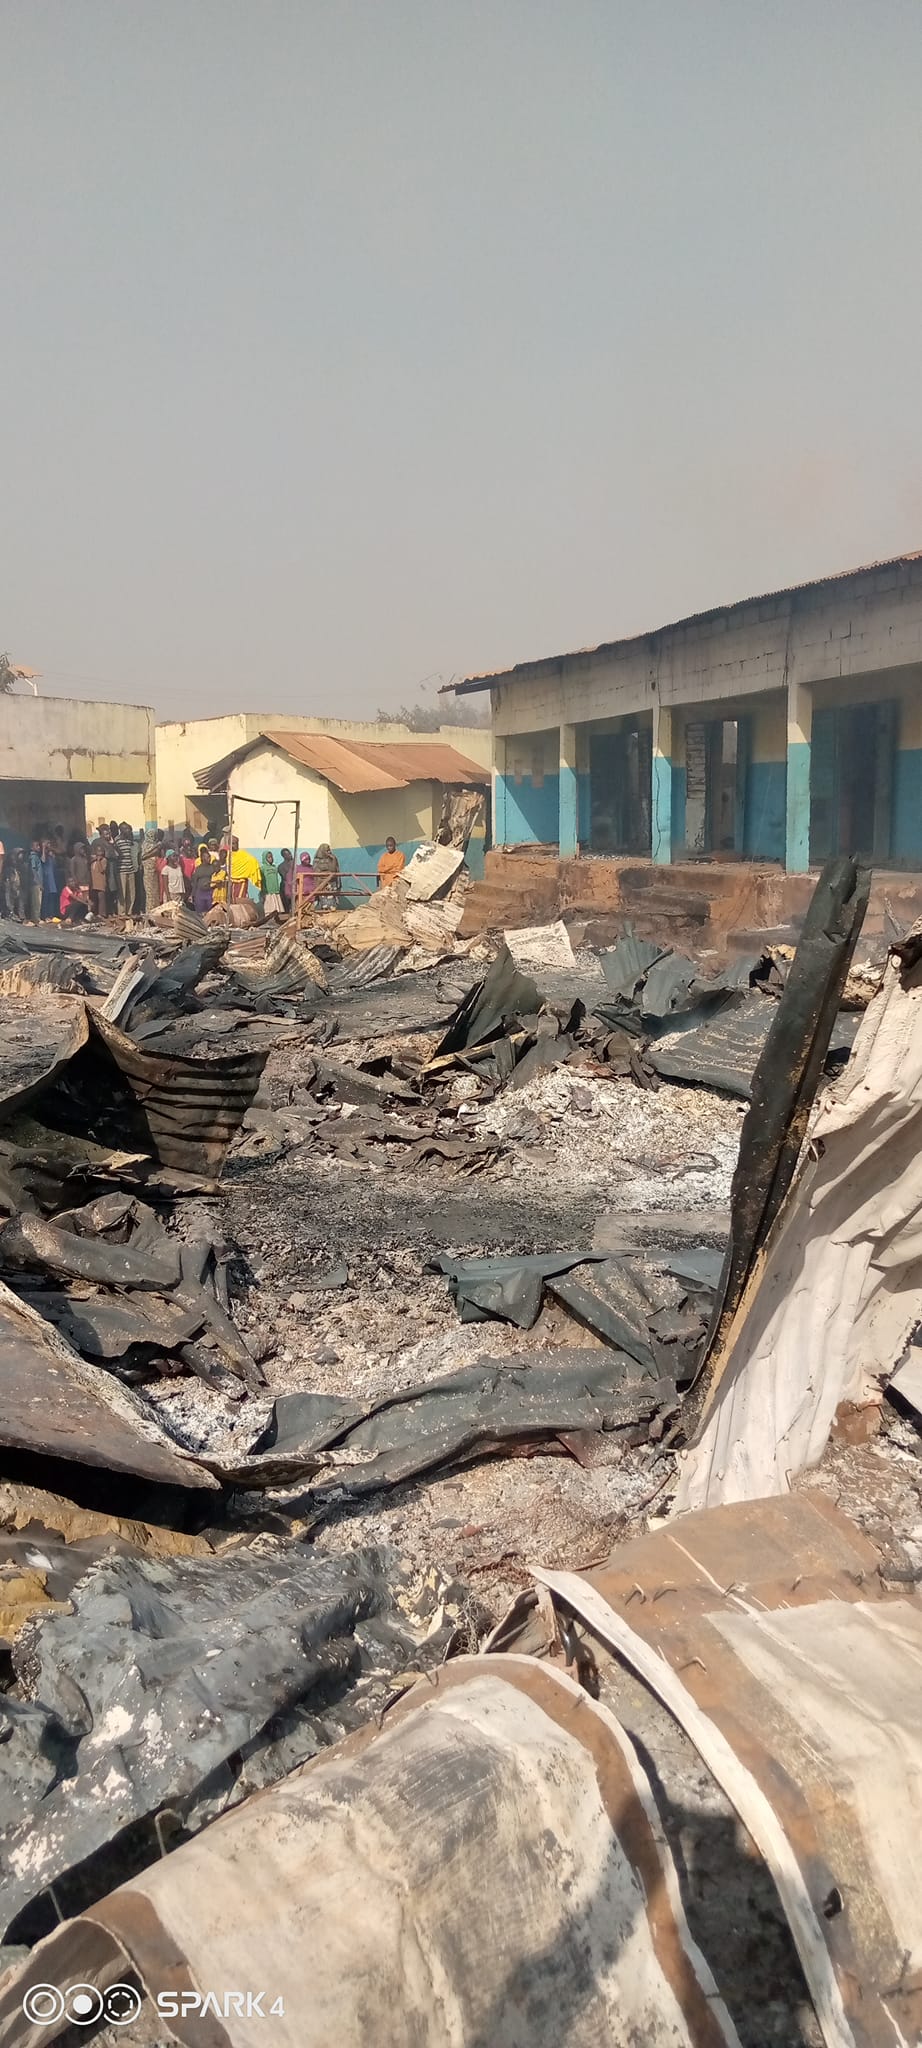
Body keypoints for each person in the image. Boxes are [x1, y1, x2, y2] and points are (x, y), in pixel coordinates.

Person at [226, 835, 262, 903]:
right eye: (232, 843)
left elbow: (254, 862)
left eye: (235, 843)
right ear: (228, 844)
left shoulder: (244, 854)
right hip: (230, 881)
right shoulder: (227, 854)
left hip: (241, 881)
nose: (234, 845)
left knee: (240, 899)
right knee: (231, 900)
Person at [114, 825, 135, 917]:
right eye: (126, 829)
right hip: (121, 869)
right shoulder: (117, 840)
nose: (128, 830)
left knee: (131, 892)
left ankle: (129, 911)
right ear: (121, 830)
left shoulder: (129, 841)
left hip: (130, 868)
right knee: (122, 892)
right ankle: (122, 913)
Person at [312, 843, 341, 909]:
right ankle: (324, 910)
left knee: (331, 898)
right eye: (326, 850)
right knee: (323, 898)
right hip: (321, 882)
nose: (328, 852)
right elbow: (316, 871)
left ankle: (331, 910)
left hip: (331, 882)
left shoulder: (332, 858)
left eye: (329, 850)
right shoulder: (317, 860)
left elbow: (333, 870)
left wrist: (333, 859)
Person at [191, 843, 215, 915]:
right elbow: (195, 882)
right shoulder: (198, 869)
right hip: (200, 893)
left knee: (210, 912)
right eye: (207, 857)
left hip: (210, 892)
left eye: (209, 857)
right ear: (202, 858)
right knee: (200, 913)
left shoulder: (213, 867)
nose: (209, 859)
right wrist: (193, 894)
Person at [41, 839, 59, 920]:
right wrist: (43, 849)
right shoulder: (42, 855)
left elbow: (55, 865)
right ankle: (45, 916)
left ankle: (51, 915)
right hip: (46, 880)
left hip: (52, 880)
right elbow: (43, 860)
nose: (49, 845)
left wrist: (52, 854)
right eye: (47, 843)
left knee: (52, 898)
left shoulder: (51, 856)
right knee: (46, 899)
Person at [89, 839, 108, 918]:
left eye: (101, 851)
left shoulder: (104, 860)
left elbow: (101, 870)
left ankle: (102, 913)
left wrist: (99, 861)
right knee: (94, 898)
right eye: (98, 851)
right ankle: (95, 913)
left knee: (101, 898)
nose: (100, 853)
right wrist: (94, 860)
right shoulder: (93, 861)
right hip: (94, 883)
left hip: (101, 882)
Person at [260, 850, 283, 916]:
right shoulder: (262, 868)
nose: (271, 859)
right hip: (268, 890)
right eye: (269, 857)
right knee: (269, 907)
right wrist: (263, 890)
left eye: (271, 857)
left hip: (275, 890)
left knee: (277, 906)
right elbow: (261, 880)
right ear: (265, 858)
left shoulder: (274, 867)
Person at [27, 840, 43, 923]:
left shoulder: (36, 856)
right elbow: (33, 870)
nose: (39, 847)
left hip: (37, 882)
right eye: (37, 846)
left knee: (37, 900)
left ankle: (36, 917)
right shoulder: (33, 857)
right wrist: (38, 882)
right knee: (36, 901)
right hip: (35, 883)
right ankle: (36, 918)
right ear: (32, 847)